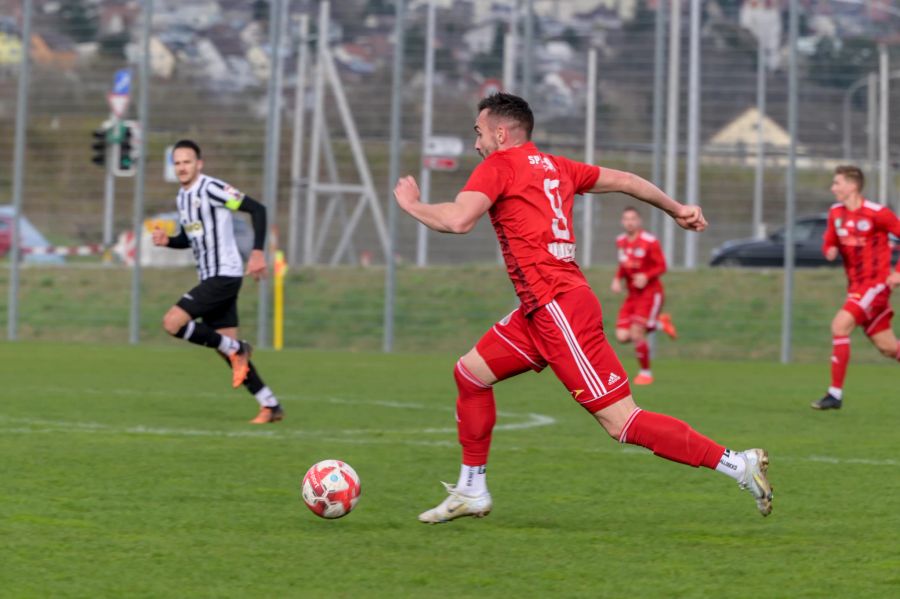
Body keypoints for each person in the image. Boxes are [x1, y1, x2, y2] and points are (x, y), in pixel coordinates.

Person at [394, 93, 773, 522]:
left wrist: (411, 205)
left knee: (622, 422)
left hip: (558, 308)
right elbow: (628, 180)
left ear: (501, 133)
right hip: (539, 310)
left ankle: (737, 463)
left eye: (479, 133)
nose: (476, 144)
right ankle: (471, 489)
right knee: (470, 374)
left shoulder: (499, 165)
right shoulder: (557, 166)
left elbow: (458, 220)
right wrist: (676, 209)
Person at [151, 139, 285, 424]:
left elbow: (257, 209)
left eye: (187, 161)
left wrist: (258, 252)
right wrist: (168, 241)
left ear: (199, 164)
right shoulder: (182, 197)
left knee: (172, 323)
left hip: (224, 275)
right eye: (177, 163)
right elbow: (191, 236)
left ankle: (237, 349)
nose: (182, 167)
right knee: (228, 350)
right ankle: (270, 404)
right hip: (211, 275)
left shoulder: (212, 188)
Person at [812, 165, 900, 410]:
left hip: (875, 285)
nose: (833, 188)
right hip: (856, 287)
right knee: (889, 348)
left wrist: (898, 273)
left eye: (837, 183)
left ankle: (835, 395)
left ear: (852, 186)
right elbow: (829, 241)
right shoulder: (835, 213)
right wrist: (828, 249)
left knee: (839, 325)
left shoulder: (877, 213)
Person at [611, 207, 677, 385]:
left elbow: (662, 266)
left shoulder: (650, 241)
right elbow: (623, 266)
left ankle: (645, 373)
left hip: (650, 293)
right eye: (626, 219)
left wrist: (646, 276)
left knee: (636, 332)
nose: (629, 222)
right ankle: (659, 323)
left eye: (633, 218)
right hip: (632, 295)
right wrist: (617, 280)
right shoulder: (621, 241)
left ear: (639, 221)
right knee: (622, 336)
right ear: (622, 222)